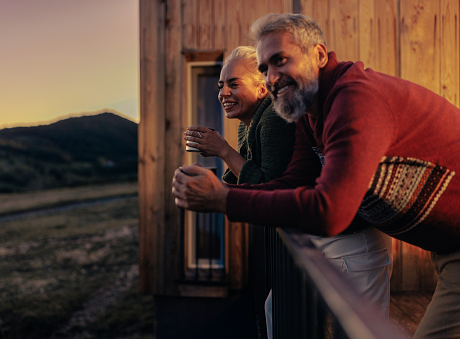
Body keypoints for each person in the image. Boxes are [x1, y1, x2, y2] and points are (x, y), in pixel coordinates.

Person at [173, 13, 460, 338]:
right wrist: (223, 195)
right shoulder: (310, 114)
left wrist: (224, 198)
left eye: (280, 60)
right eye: (265, 68)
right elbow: (290, 181)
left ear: (320, 55)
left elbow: (331, 210)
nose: (272, 77)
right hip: (446, 243)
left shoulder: (355, 100)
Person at [184, 46, 392, 338]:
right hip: (321, 236)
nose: (223, 93)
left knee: (358, 328)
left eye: (234, 84)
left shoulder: (273, 118)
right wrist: (212, 184)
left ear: (260, 89)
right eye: (220, 85)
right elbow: (249, 175)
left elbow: (270, 180)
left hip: (350, 237)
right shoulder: (249, 124)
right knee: (278, 310)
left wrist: (222, 153)